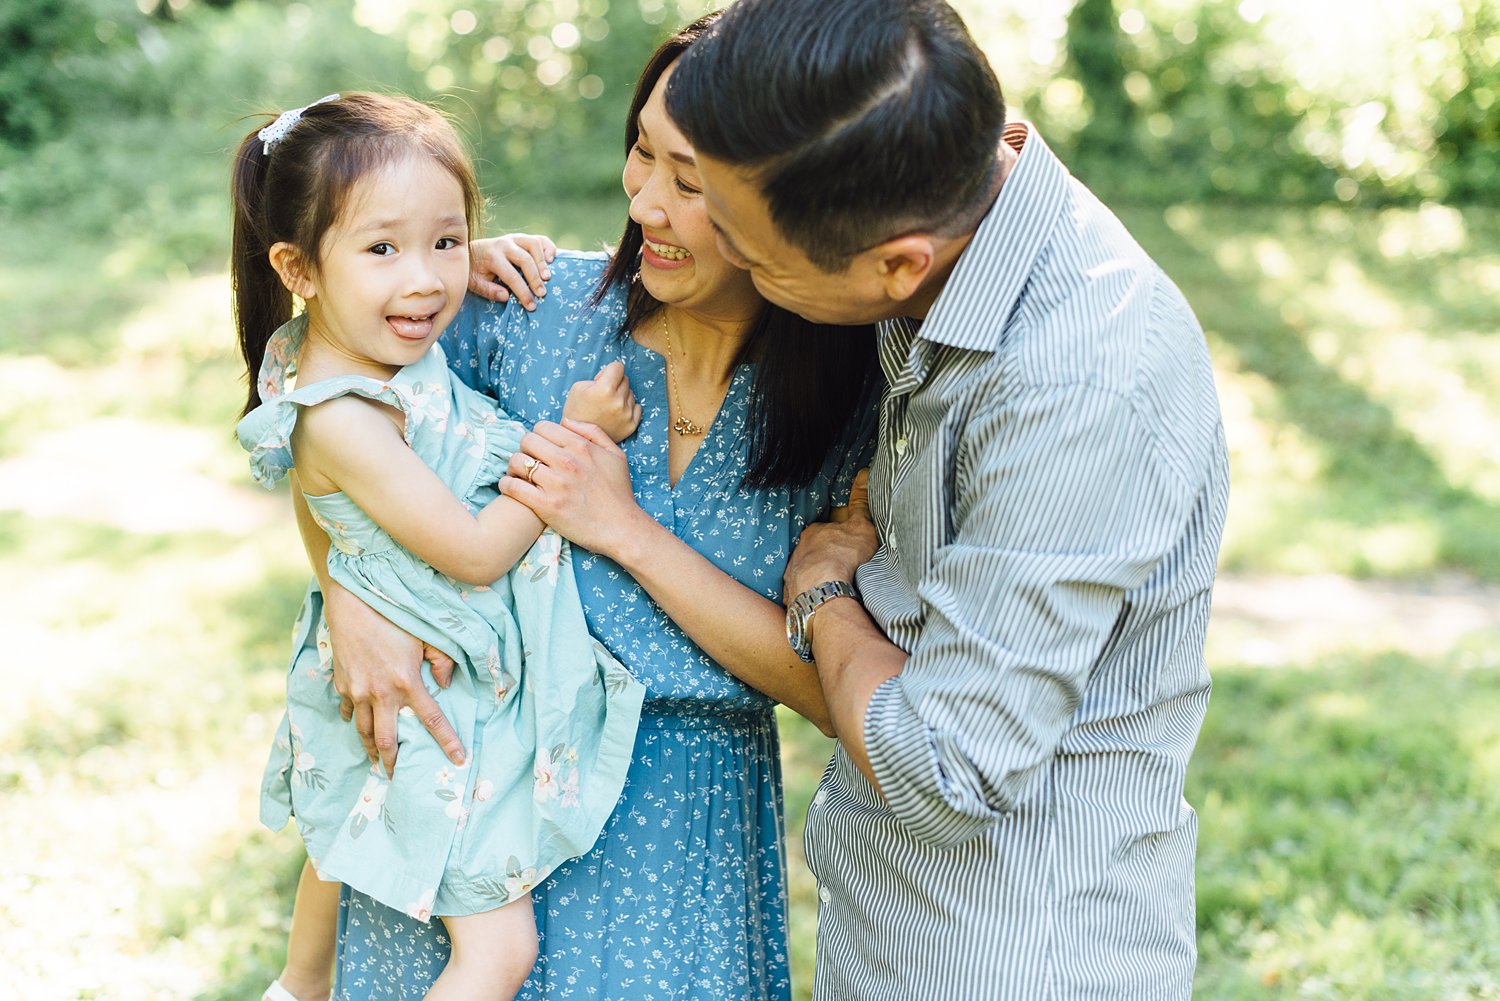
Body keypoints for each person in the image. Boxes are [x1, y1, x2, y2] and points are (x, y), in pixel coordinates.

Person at [288, 15, 884, 1000]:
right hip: (471, 807)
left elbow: (839, 694)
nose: (645, 199)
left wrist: (626, 531)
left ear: (792, 200)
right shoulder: (525, 309)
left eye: (690, 181)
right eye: (640, 152)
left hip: (679, 846)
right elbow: (327, 428)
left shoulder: (859, 403)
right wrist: (349, 597)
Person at [665, 1, 1232, 998]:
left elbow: (945, 765)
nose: (722, 251)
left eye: (752, 254)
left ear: (897, 264)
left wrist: (825, 590)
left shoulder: (1078, 383)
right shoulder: (943, 195)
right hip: (893, 926)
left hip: (1014, 956)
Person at [229, 91, 649, 1001]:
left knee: (348, 826)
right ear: (298, 266)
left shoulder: (323, 343)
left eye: (445, 240)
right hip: (437, 695)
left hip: (418, 664)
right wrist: (576, 440)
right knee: (498, 955)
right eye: (383, 248)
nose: (424, 279)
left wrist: (466, 262)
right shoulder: (341, 417)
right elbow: (470, 550)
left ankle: (299, 985)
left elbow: (409, 280)